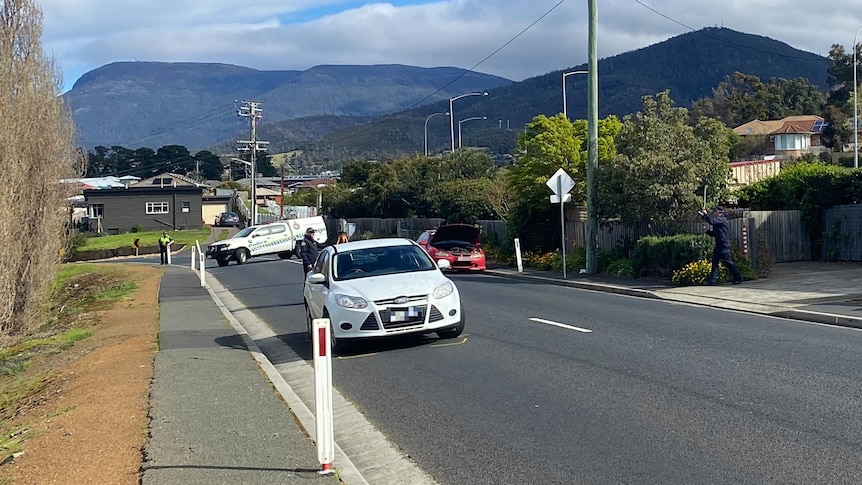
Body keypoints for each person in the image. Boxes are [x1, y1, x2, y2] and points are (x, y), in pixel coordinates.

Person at [698, 205, 742, 285]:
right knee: (715, 262)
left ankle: (738, 277)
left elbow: (712, 221)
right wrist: (707, 231)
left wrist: (706, 215)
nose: (714, 212)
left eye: (715, 211)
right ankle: (712, 281)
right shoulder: (718, 222)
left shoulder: (722, 220)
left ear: (719, 212)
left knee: (728, 262)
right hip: (718, 244)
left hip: (724, 244)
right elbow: (715, 234)